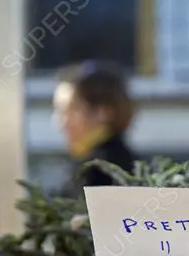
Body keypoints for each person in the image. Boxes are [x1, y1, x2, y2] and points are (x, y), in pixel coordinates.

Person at [54, 60, 136, 193]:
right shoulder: (106, 164)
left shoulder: (100, 172)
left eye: (72, 110)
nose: (62, 122)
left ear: (103, 113)